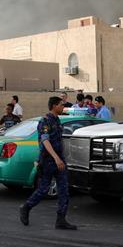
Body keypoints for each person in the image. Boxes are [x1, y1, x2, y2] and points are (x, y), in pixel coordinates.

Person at [19, 96, 76, 230]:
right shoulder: (44, 121)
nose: (63, 107)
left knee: (64, 190)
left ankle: (61, 219)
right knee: (43, 189)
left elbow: (59, 140)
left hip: (59, 160)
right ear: (54, 106)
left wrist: (61, 157)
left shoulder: (57, 120)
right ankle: (26, 207)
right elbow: (45, 141)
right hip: (48, 161)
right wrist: (56, 158)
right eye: (61, 105)